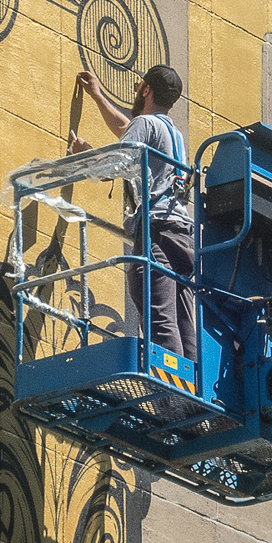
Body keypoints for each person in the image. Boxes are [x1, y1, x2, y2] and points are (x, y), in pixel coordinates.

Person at [68, 65, 196, 361]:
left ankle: (170, 400)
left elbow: (116, 164)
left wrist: (85, 156)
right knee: (183, 319)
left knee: (159, 315)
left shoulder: (145, 124)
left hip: (157, 230)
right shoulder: (172, 134)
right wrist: (98, 97)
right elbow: (126, 130)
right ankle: (190, 396)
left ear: (146, 90)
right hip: (182, 233)